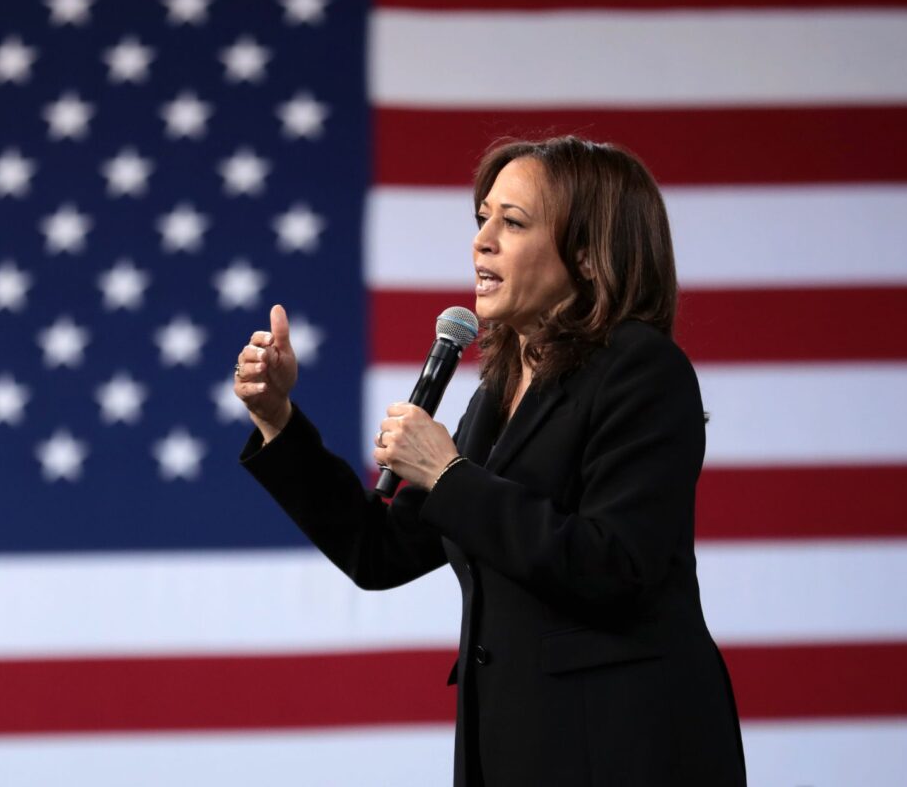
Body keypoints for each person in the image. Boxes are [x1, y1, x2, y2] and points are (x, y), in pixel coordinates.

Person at [233, 136, 746, 786]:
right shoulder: (498, 394)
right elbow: (380, 550)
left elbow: (615, 565)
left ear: (587, 253)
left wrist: (449, 475)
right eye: (482, 218)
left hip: (621, 748)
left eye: (513, 221)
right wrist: (278, 418)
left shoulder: (642, 370)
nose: (482, 240)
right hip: (513, 749)